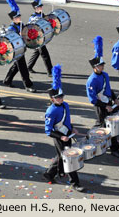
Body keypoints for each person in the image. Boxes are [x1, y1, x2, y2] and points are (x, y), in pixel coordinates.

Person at [44, 64, 84, 192]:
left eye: (62, 96)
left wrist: (72, 128)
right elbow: (48, 130)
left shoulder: (65, 105)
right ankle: (75, 182)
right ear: (52, 99)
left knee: (62, 156)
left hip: (68, 134)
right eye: (58, 97)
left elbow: (66, 120)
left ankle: (50, 174)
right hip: (59, 136)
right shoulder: (51, 111)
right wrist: (61, 136)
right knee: (69, 158)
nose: (61, 99)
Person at [86, 36, 119, 158]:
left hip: (107, 103)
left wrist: (115, 98)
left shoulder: (105, 75)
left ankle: (90, 136)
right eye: (100, 65)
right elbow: (93, 99)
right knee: (108, 127)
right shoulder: (91, 80)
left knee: (101, 125)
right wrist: (106, 106)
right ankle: (114, 148)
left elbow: (108, 88)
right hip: (100, 105)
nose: (102, 67)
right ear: (94, 67)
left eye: (102, 65)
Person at [3, 0, 36, 93]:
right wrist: (19, 35)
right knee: (23, 67)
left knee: (16, 66)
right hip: (16, 50)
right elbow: (11, 39)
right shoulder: (11, 28)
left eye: (19, 16)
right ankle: (28, 85)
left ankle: (7, 80)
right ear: (13, 19)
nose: (19, 18)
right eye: (17, 17)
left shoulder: (21, 25)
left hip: (21, 48)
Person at [27, 0, 53, 77]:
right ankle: (50, 71)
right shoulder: (32, 17)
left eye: (41, 6)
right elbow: (30, 28)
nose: (41, 8)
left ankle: (29, 67)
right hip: (37, 39)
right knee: (45, 54)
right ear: (35, 8)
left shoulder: (42, 15)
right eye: (39, 7)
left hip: (42, 37)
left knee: (37, 52)